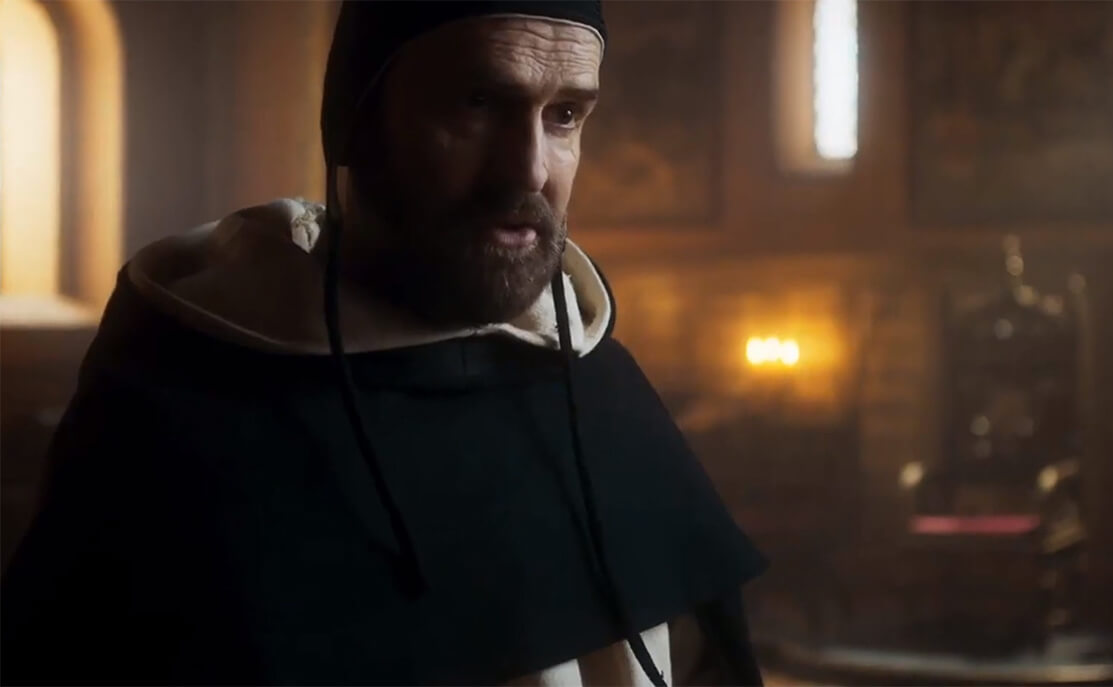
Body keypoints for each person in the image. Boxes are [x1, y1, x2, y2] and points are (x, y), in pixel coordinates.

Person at [1, 2, 767, 684]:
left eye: (564, 116)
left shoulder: (598, 385)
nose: (530, 168)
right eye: (477, 103)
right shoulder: (181, 397)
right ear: (355, 125)